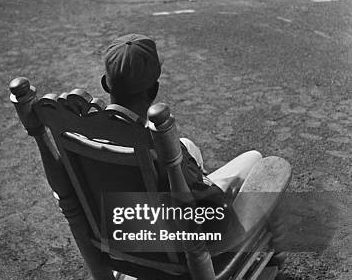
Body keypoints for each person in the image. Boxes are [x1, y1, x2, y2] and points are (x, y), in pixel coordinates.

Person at [101, 34, 262, 193]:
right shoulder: (156, 142)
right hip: (174, 212)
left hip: (117, 208)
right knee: (255, 158)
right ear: (154, 91)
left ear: (105, 85)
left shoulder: (89, 131)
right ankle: (203, 179)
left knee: (188, 144)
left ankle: (199, 174)